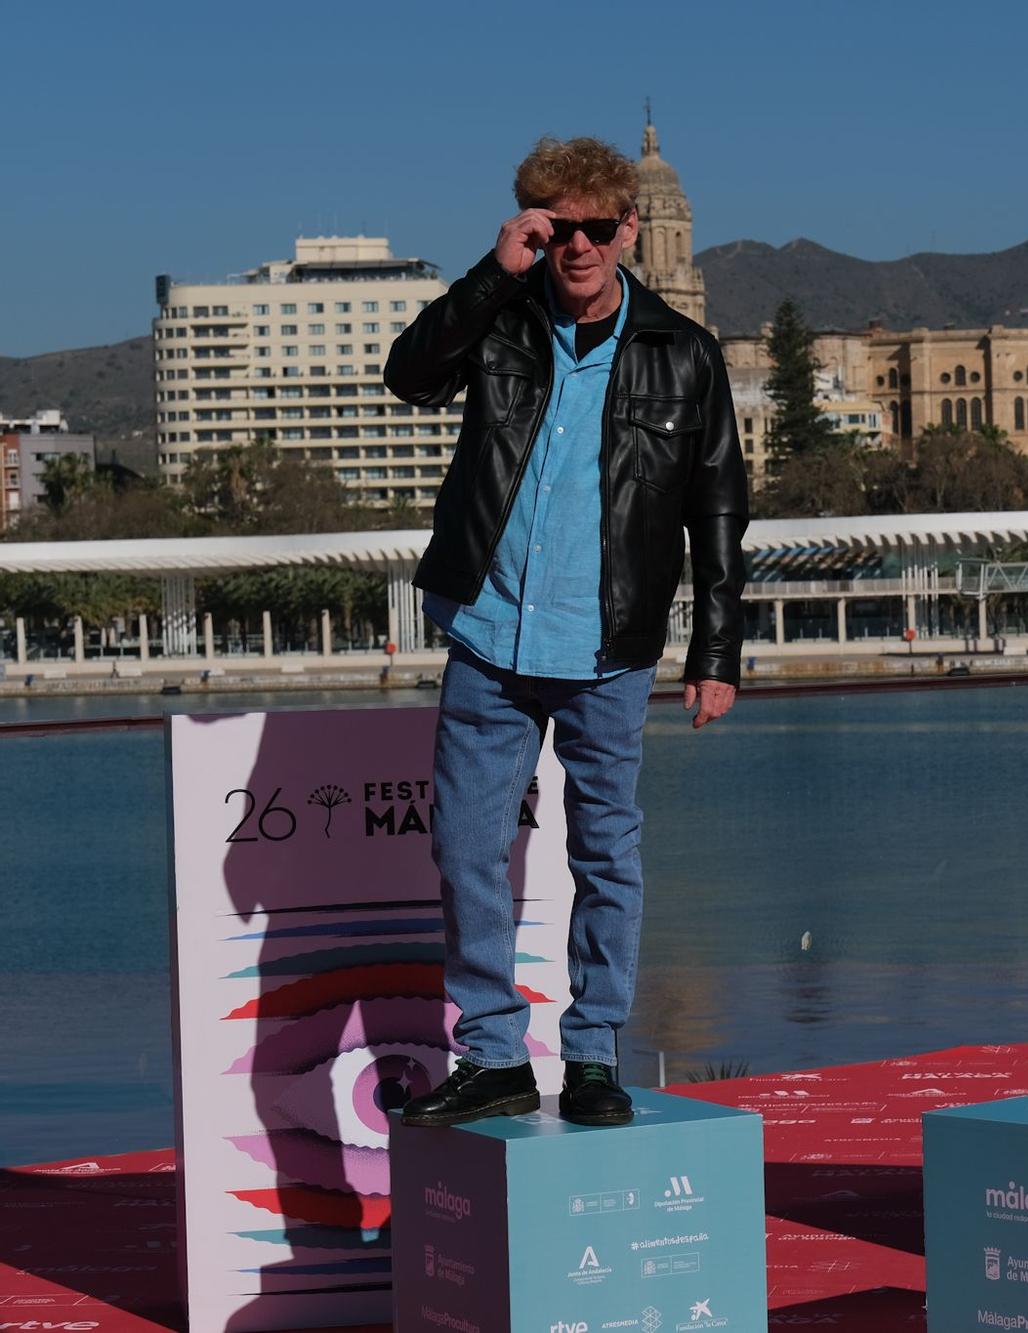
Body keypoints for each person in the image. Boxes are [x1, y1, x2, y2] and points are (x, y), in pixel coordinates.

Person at [385, 135, 748, 1127]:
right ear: (533, 230)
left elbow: (718, 507)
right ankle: (494, 1051)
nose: (577, 246)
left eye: (595, 228)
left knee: (606, 851)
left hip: (607, 649)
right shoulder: (498, 324)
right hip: (489, 635)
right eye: (555, 229)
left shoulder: (684, 352)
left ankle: (592, 1053)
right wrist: (488, 274)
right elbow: (408, 375)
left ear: (628, 228)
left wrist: (717, 653)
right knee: (465, 847)